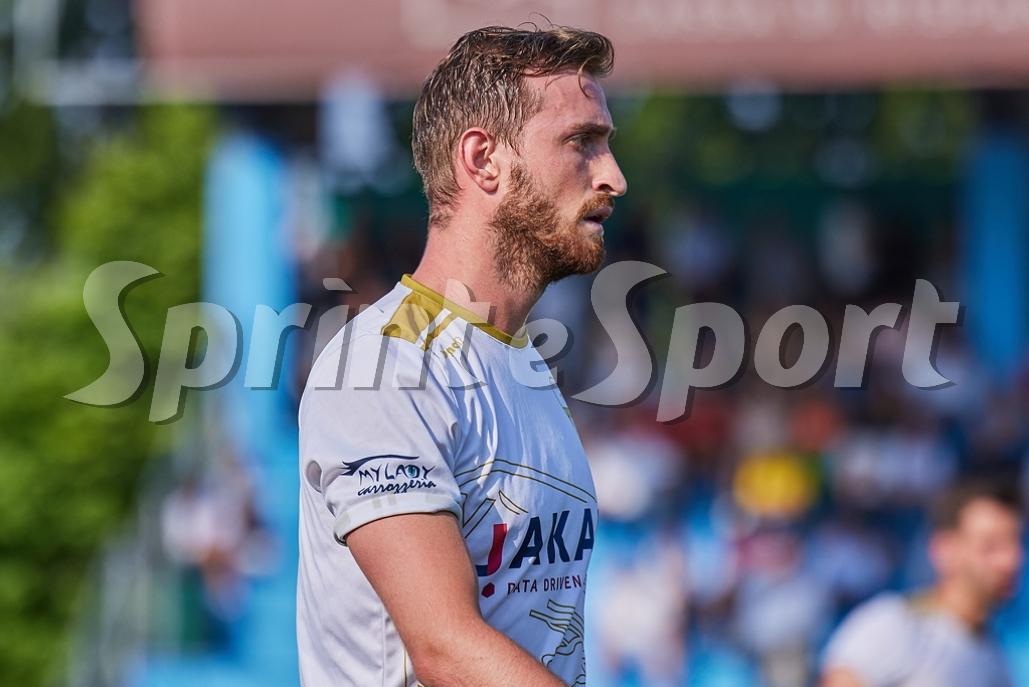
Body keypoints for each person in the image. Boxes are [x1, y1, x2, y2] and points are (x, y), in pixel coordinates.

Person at [297, 24, 626, 687]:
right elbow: (445, 650)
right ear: (483, 160)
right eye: (581, 143)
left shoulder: (521, 360)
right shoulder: (384, 366)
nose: (613, 178)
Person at [820, 478, 1024, 687]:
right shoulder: (892, 625)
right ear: (944, 550)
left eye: (1016, 543)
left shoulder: (994, 660)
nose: (1011, 560)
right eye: (991, 546)